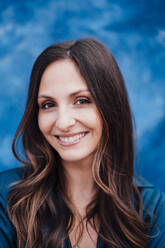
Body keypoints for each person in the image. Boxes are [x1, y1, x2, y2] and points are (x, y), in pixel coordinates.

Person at [0, 38, 164, 248]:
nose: (63, 122)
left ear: (111, 106)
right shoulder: (7, 198)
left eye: (82, 101)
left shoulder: (152, 209)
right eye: (48, 105)